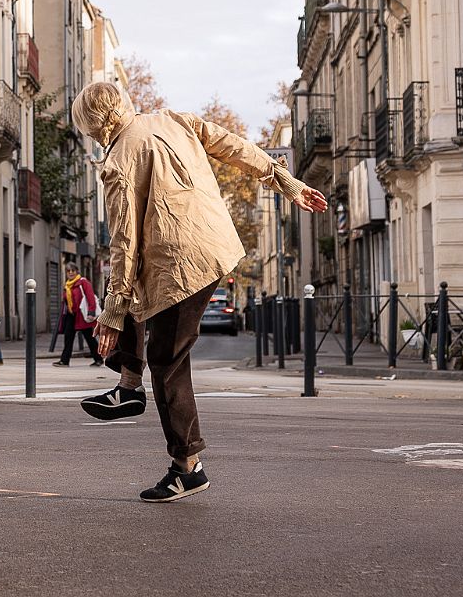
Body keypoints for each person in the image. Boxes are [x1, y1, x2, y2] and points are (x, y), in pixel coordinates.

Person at [69, 80, 327, 502]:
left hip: (179, 263)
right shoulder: (171, 119)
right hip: (214, 245)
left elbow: (124, 242)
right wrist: (285, 181)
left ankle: (187, 467)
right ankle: (129, 387)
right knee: (133, 296)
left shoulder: (117, 161)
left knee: (166, 360)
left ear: (94, 125)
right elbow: (233, 146)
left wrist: (112, 312)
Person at [54, 261, 101, 367]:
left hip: (82, 315)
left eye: (73, 270)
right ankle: (64, 361)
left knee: (89, 338)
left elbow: (90, 297)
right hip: (72, 315)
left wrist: (91, 312)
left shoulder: (83, 282)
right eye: (68, 271)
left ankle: (98, 359)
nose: (71, 273)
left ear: (77, 271)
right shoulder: (67, 285)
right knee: (68, 337)